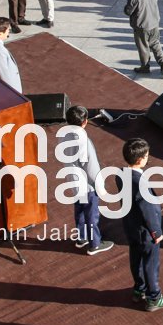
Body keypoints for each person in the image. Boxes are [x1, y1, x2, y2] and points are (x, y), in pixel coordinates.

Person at [121, 138, 163, 310]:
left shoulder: (121, 174)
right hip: (145, 231)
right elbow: (148, 210)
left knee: (136, 259)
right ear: (140, 159)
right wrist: (156, 232)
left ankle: (139, 289)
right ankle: (154, 297)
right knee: (150, 262)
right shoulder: (140, 182)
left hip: (131, 227)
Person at [61, 105, 112, 255]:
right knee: (91, 214)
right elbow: (91, 166)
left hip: (73, 180)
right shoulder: (83, 140)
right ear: (84, 122)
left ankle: (81, 238)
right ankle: (95, 244)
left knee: (79, 211)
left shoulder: (63, 135)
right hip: (87, 185)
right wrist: (100, 186)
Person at [124, 0, 163, 75]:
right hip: (153, 22)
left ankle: (145, 67)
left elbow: (128, 12)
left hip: (142, 26)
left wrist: (129, 2)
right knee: (155, 43)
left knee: (143, 47)